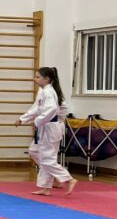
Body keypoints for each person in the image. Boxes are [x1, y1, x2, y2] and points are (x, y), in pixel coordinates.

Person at [15, 66, 75, 196]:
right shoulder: (43, 91)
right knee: (35, 151)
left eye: (37, 77)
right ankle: (46, 187)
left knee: (47, 158)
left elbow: (52, 110)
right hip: (46, 126)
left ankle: (67, 178)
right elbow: (37, 109)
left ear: (46, 79)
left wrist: (37, 121)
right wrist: (23, 119)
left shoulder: (49, 92)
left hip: (50, 128)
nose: (34, 79)